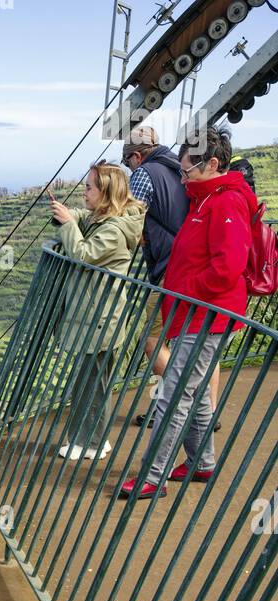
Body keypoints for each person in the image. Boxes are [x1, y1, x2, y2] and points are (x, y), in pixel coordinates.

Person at [120, 127, 257, 499]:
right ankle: (202, 462)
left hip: (206, 316)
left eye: (187, 171)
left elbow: (228, 266)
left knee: (174, 394)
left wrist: (184, 292)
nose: (181, 179)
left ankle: (152, 475)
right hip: (194, 312)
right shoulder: (204, 199)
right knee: (190, 392)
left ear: (213, 164)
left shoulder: (226, 202)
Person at [48, 163, 145, 461]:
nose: (84, 192)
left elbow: (84, 254)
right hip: (95, 316)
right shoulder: (103, 219)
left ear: (106, 192)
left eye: (89, 187)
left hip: (102, 320)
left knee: (94, 385)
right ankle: (86, 439)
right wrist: (69, 215)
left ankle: (91, 443)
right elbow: (84, 218)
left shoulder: (114, 231)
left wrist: (66, 224)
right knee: (86, 381)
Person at [122, 125, 189, 426]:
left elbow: (128, 223)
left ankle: (180, 407)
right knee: (187, 339)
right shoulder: (177, 167)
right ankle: (199, 409)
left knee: (151, 338)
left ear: (136, 156)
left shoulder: (144, 174)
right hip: (189, 264)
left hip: (168, 268)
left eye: (126, 162)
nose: (128, 168)